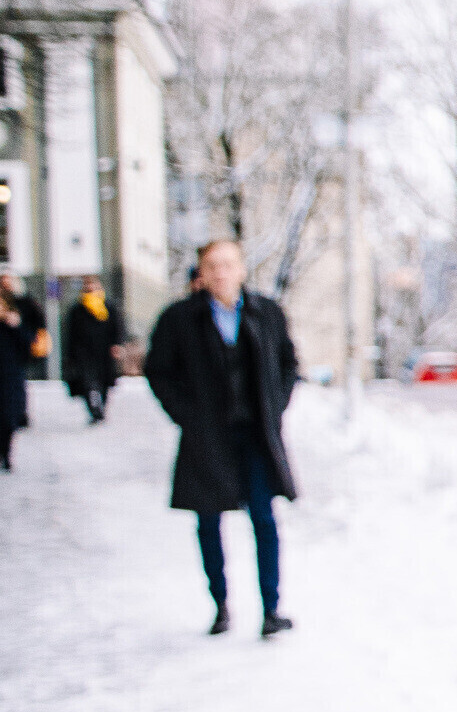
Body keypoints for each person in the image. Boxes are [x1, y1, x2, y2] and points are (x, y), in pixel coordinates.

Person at [145, 240, 301, 638]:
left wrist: (275, 406)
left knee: (264, 517)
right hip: (206, 438)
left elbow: (288, 363)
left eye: (228, 264)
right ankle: (220, 605)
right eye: (212, 265)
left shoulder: (266, 313)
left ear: (242, 269)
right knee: (208, 520)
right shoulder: (179, 319)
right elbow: (158, 371)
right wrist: (186, 415)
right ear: (201, 271)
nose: (221, 272)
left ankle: (271, 609)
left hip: (256, 436)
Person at [60, 273, 125, 423]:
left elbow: (117, 327)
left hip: (104, 351)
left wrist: (117, 344)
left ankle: (101, 407)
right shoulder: (77, 309)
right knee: (87, 383)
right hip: (83, 353)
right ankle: (94, 410)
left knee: (103, 382)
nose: (90, 289)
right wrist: (70, 354)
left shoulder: (108, 307)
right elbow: (71, 333)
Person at [0, 270, 31, 470]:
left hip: (10, 376)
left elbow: (27, 344)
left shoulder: (14, 321)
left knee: (9, 418)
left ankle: (6, 452)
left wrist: (16, 326)